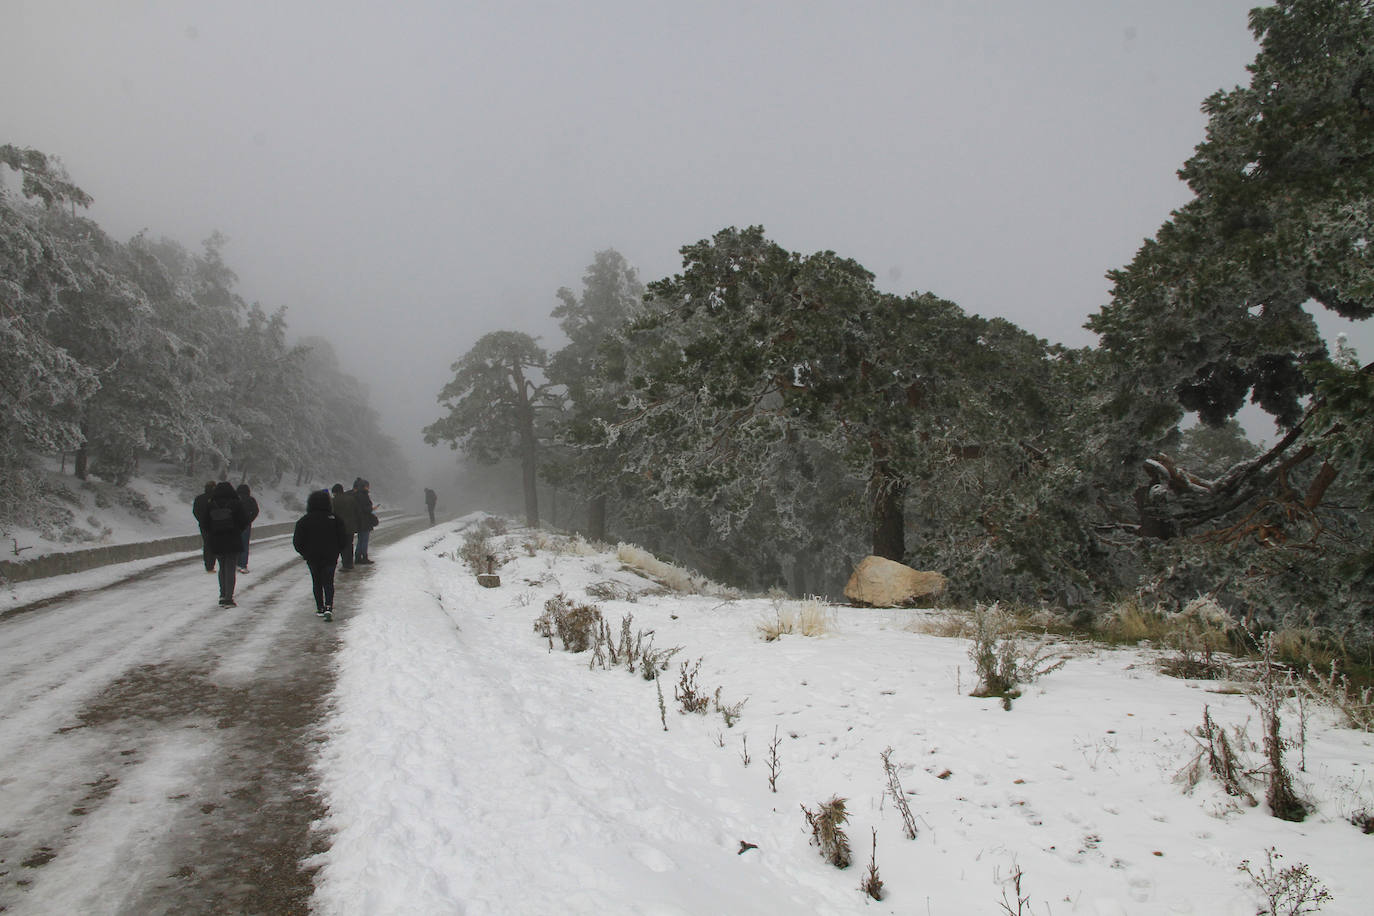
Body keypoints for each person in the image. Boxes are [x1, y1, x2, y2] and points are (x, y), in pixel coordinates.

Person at [293, 489, 349, 620]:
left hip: (312, 556)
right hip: (330, 555)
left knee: (316, 581)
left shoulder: (304, 521)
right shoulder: (335, 519)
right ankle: (329, 606)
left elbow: (297, 542)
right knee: (328, 581)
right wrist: (337, 550)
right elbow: (343, 539)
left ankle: (320, 607)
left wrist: (305, 552)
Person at [205, 481, 249, 607]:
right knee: (230, 568)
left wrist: (214, 532)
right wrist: (236, 530)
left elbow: (204, 523)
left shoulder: (211, 505)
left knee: (222, 568)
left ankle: (222, 594)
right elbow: (244, 521)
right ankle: (228, 597)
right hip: (232, 539)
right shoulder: (236, 504)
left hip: (217, 540)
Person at [331, 483, 357, 571]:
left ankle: (345, 564)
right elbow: (356, 511)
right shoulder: (351, 499)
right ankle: (350, 563)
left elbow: (332, 513)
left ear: (335, 492)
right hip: (351, 526)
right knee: (349, 544)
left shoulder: (333, 500)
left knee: (342, 546)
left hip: (339, 527)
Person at [191, 481, 217, 572]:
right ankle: (211, 564)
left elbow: (195, 511)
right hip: (215, 524)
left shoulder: (199, 498)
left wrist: (201, 520)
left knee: (207, 544)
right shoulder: (216, 498)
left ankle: (208, 565)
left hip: (203, 525)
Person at [235, 482, 260, 573]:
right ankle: (243, 565)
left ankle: (236, 563)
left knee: (235, 544)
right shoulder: (251, 500)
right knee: (244, 545)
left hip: (235, 525)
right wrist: (249, 520)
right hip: (246, 525)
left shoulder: (235, 499)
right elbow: (256, 511)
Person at [353, 478, 377, 565]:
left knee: (360, 539)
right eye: (367, 486)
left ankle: (358, 557)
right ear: (365, 487)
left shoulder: (356, 495)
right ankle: (364, 557)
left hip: (358, 521)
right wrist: (372, 509)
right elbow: (365, 509)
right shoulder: (364, 495)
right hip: (365, 521)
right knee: (364, 540)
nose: (368, 488)